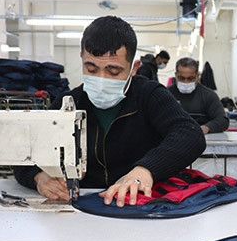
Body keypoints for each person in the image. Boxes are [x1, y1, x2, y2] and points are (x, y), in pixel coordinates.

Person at [13, 16, 206, 207]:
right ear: (82, 59)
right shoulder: (69, 102)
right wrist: (39, 176)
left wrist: (146, 169)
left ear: (134, 68)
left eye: (113, 72)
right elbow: (23, 153)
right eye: (91, 69)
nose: (101, 80)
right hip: (86, 203)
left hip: (139, 203)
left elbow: (190, 135)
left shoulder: (149, 95)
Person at [168, 57, 229, 134]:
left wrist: (207, 128)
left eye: (190, 78)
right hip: (171, 136)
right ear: (176, 75)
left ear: (197, 76)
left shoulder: (209, 96)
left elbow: (222, 120)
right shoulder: (166, 94)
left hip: (200, 137)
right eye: (181, 78)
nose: (185, 82)